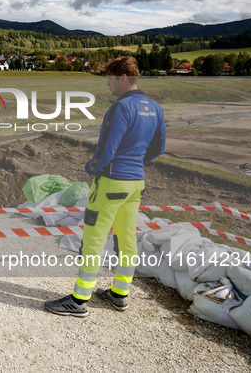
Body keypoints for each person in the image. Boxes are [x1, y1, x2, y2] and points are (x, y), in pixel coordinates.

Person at [45, 56, 166, 317]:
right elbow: (159, 147)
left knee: (93, 240)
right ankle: (120, 293)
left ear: (122, 78)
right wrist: (135, 163)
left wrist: (93, 167)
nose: (108, 84)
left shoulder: (120, 107)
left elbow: (107, 147)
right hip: (136, 183)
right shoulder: (154, 107)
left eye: (110, 79)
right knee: (126, 239)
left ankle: (79, 300)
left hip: (111, 182)